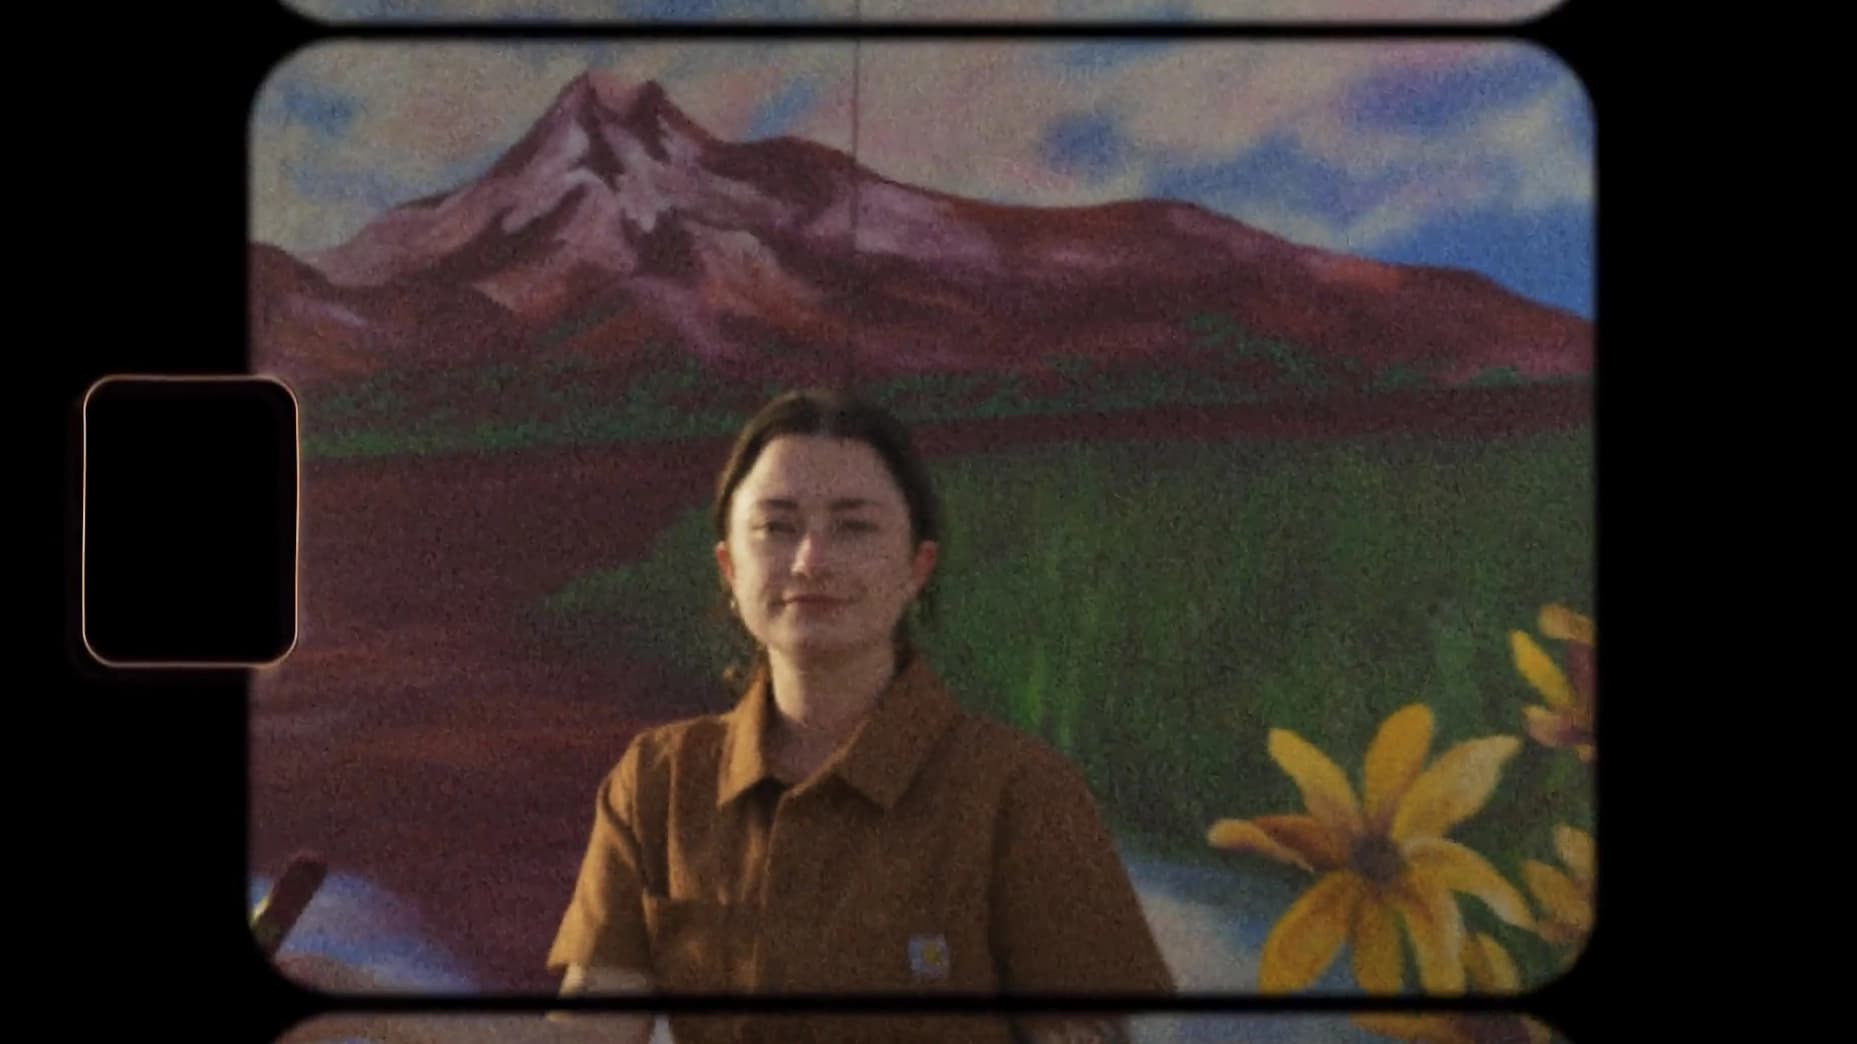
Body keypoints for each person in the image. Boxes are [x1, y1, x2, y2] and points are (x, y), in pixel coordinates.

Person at [546, 389, 1174, 1043]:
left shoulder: (1019, 791)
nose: (811, 561)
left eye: (853, 526)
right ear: (729, 569)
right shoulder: (658, 782)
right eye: (776, 527)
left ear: (916, 567)